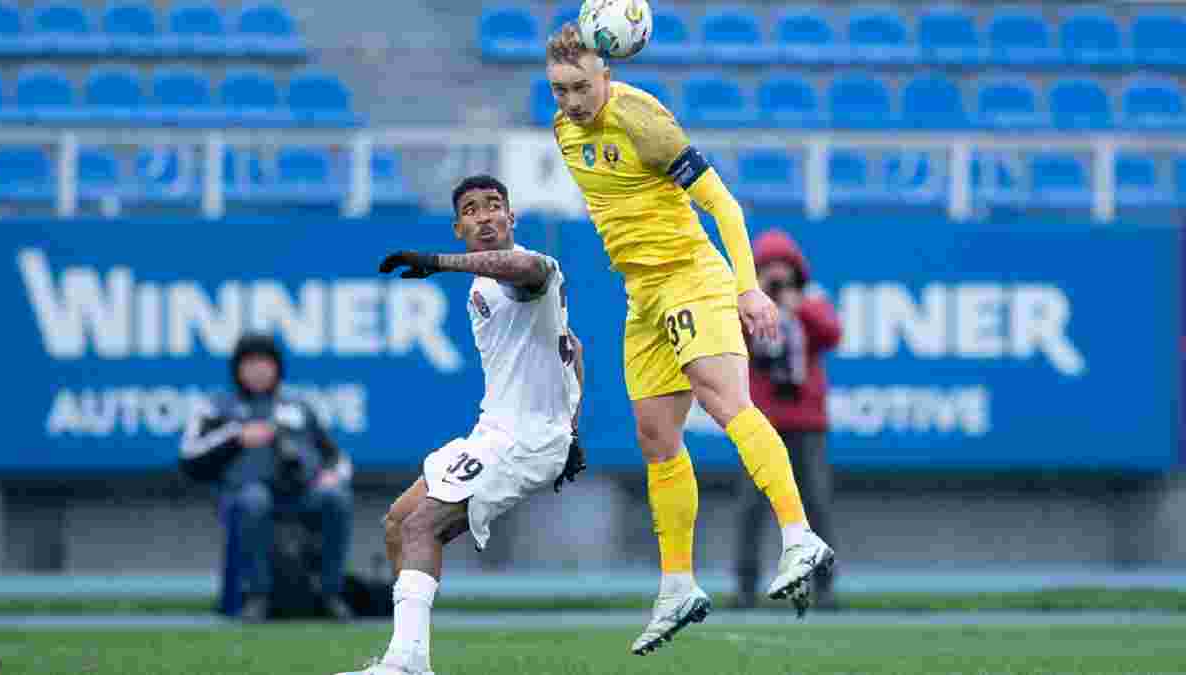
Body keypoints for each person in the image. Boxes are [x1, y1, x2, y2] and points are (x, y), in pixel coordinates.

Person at [545, 24, 834, 654]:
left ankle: (798, 535)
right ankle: (677, 584)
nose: (569, 99)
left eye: (580, 86)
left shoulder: (643, 120)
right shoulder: (564, 130)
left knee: (723, 398)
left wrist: (748, 288)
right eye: (559, 88)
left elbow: (725, 207)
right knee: (655, 437)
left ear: (607, 76)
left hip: (692, 277)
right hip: (642, 294)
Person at [332, 175, 586, 675]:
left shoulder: (533, 270)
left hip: (525, 439)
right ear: (458, 227)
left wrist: (436, 261)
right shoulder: (482, 285)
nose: (486, 216)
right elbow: (574, 347)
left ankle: (405, 665)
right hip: (497, 431)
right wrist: (573, 426)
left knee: (424, 524)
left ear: (511, 219)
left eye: (495, 206)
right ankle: (407, 655)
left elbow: (523, 267)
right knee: (399, 522)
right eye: (472, 210)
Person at [180, 333, 355, 623]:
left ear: (277, 367)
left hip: (299, 492)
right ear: (237, 368)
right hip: (244, 495)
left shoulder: (297, 407)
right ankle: (256, 596)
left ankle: (329, 594)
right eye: (250, 363)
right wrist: (237, 438)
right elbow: (189, 457)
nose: (259, 370)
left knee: (335, 499)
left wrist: (331, 476)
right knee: (254, 500)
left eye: (265, 362)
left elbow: (337, 457)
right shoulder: (218, 407)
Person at [736, 230, 842, 609]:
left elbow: (833, 333)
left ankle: (825, 588)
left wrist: (796, 305)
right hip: (762, 422)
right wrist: (757, 296)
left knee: (816, 504)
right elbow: (731, 338)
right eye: (769, 272)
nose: (778, 280)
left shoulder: (811, 301)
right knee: (752, 506)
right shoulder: (745, 305)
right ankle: (745, 588)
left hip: (807, 423)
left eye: (783, 273)